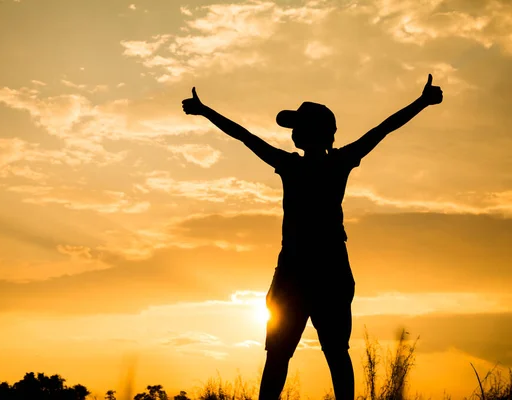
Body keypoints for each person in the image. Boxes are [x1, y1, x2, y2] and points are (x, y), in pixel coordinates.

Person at [181, 75, 443, 400]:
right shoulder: (332, 162)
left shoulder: (295, 165)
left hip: (304, 273)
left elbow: (245, 137)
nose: (293, 133)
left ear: (313, 133)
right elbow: (382, 129)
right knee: (325, 353)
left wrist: (206, 111)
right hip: (318, 272)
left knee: (296, 354)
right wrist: (421, 102)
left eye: (298, 127)